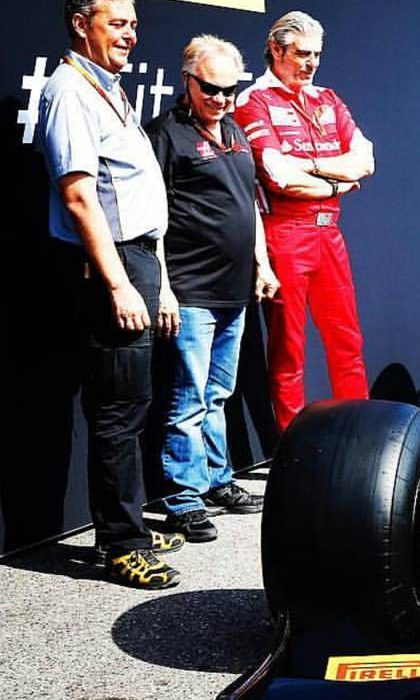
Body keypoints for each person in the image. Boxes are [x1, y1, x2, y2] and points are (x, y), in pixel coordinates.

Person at [37, 0, 183, 589]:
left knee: (131, 403)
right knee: (118, 411)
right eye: (116, 23)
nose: (130, 34)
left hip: (139, 259)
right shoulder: (69, 90)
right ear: (81, 24)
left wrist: (160, 282)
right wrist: (120, 283)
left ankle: (129, 527)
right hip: (111, 267)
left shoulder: (109, 87)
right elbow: (79, 198)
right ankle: (123, 545)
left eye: (133, 24)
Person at [146, 36, 278, 543]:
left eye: (229, 89)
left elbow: (249, 206)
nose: (221, 98)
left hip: (235, 290)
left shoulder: (236, 131)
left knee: (218, 394)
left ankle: (218, 480)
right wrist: (163, 288)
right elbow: (151, 220)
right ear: (188, 81)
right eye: (211, 89)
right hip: (191, 289)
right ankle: (184, 498)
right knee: (188, 399)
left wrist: (262, 265)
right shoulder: (166, 134)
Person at [235, 11, 374, 433]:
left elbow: (365, 160)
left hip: (329, 232)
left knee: (347, 339)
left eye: (316, 55)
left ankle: (359, 434)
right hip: (285, 234)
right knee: (289, 348)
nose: (311, 63)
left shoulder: (327, 98)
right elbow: (279, 175)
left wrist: (310, 166)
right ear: (276, 50)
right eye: (301, 54)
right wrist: (337, 180)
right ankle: (292, 444)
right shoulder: (254, 100)